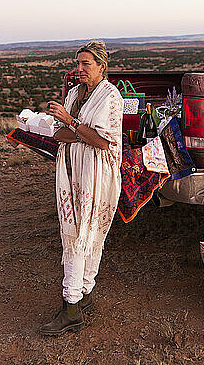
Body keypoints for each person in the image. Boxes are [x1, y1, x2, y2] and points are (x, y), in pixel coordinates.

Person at [40, 40, 124, 336]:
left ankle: (72, 306)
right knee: (76, 233)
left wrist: (72, 123)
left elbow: (103, 141)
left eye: (85, 64)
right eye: (77, 64)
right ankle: (82, 296)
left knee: (87, 234)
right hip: (73, 172)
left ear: (102, 66)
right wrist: (77, 130)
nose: (79, 69)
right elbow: (60, 134)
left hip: (96, 175)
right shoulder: (75, 93)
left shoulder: (110, 96)